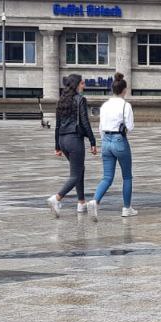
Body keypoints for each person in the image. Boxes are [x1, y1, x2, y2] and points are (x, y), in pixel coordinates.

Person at [47, 74, 98, 218]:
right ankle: (56, 198)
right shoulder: (80, 100)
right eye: (82, 83)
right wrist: (93, 142)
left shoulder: (61, 101)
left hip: (63, 140)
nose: (84, 86)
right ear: (76, 85)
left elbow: (57, 126)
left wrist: (57, 146)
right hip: (74, 140)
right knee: (75, 174)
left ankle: (81, 202)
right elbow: (85, 122)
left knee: (79, 169)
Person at [93, 73, 135, 218]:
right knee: (127, 177)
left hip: (105, 140)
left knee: (107, 177)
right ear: (124, 90)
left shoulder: (105, 105)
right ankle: (126, 208)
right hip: (119, 140)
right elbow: (130, 126)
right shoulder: (126, 105)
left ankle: (95, 200)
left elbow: (100, 127)